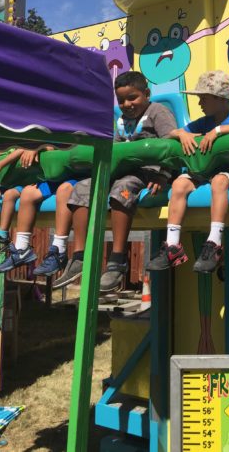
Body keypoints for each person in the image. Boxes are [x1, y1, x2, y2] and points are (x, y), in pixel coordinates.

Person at [49, 71, 177, 292]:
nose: (127, 104)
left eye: (132, 98)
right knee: (81, 188)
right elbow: (113, 150)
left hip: (145, 172)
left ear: (146, 93)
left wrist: (163, 174)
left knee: (123, 189)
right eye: (121, 100)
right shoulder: (121, 121)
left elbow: (171, 145)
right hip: (118, 169)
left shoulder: (158, 112)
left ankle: (117, 259)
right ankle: (80, 256)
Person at [147, 70, 229, 274]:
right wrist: (181, 134)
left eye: (203, 98)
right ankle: (172, 247)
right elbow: (171, 133)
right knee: (179, 184)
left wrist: (217, 132)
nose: (199, 103)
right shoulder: (203, 121)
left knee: (219, 181)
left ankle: (214, 243)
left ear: (220, 99)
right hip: (205, 173)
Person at [0, 147, 49, 260]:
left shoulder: (29, 146)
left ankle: (2, 236)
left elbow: (23, 148)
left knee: (9, 195)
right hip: (10, 183)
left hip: (28, 183)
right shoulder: (10, 147)